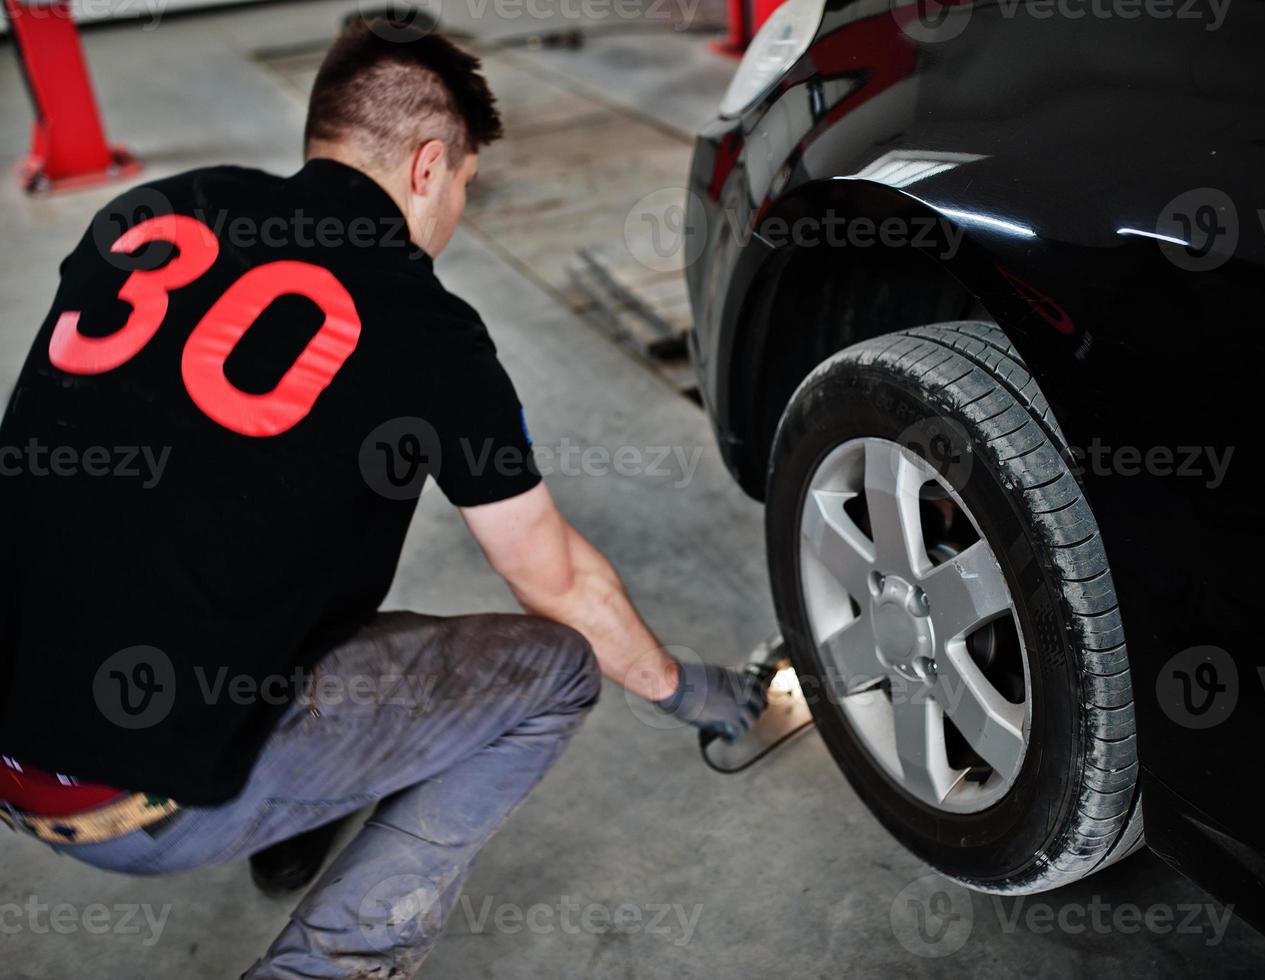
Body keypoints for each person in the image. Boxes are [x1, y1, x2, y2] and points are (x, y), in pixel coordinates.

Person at [0, 20, 765, 979]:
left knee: (243, 526)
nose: (454, 213)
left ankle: (289, 829)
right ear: (428, 165)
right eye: (463, 188)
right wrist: (699, 692)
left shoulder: (155, 214)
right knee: (553, 672)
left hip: (13, 743)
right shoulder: (425, 327)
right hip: (134, 804)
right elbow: (556, 577)